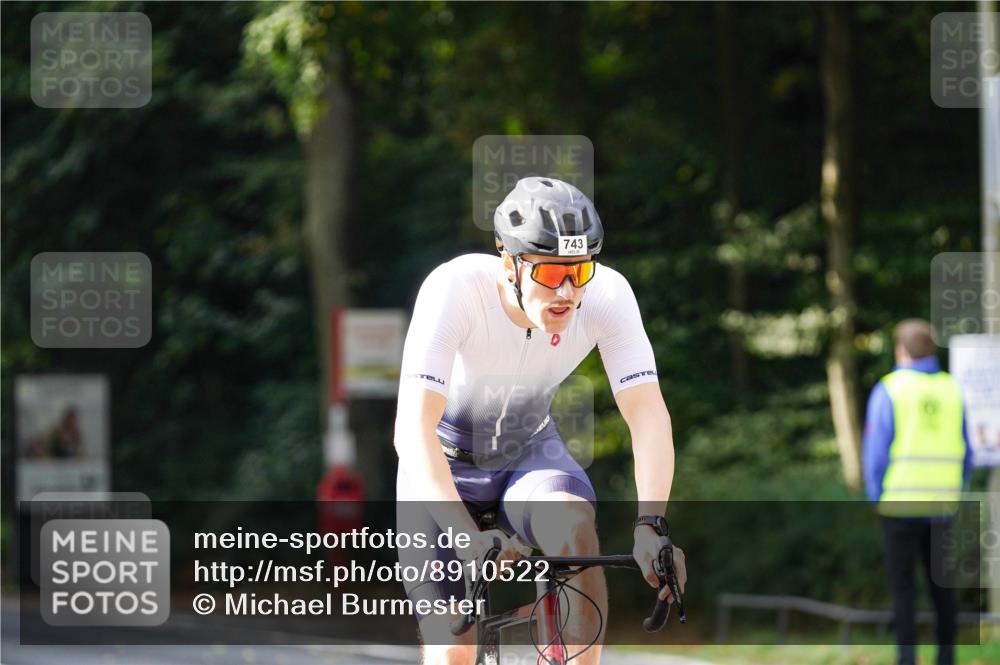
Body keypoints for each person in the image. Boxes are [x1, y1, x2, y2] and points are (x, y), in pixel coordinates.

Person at [394, 177, 686, 665]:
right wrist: (465, 536)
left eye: (581, 270)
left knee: (574, 527)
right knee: (452, 654)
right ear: (509, 264)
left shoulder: (608, 296)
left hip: (528, 456)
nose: (568, 291)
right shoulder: (455, 289)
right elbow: (413, 428)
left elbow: (648, 413)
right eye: (551, 272)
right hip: (443, 467)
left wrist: (651, 524)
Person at [862, 318, 973, 665]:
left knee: (904, 591)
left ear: (901, 350)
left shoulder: (891, 388)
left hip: (900, 505)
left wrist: (875, 495)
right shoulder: (952, 389)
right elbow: (966, 451)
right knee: (943, 590)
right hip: (943, 504)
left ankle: (907, 659)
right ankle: (946, 658)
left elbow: (875, 453)